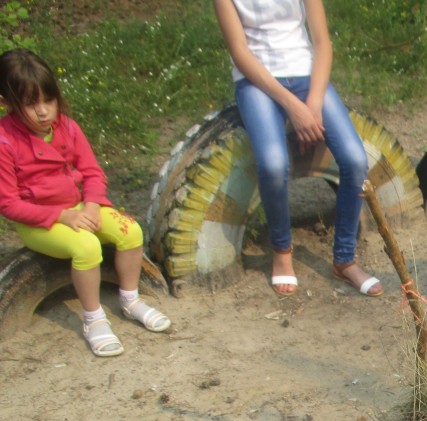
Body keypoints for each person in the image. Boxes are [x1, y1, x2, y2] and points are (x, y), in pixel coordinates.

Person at [0, 48, 172, 358]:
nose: (43, 111)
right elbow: (8, 204)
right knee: (87, 247)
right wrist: (62, 216)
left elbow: (92, 172)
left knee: (130, 230)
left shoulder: (67, 127)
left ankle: (130, 299)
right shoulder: (5, 141)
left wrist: (92, 205)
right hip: (38, 220)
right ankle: (93, 318)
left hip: (80, 207)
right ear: (6, 102)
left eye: (49, 100)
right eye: (30, 103)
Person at [214, 0, 382, 296]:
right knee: (273, 164)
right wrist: (294, 107)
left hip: (307, 75)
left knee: (356, 160)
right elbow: (239, 52)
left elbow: (322, 43)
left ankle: (344, 260)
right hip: (256, 83)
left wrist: (313, 105)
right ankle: (282, 251)